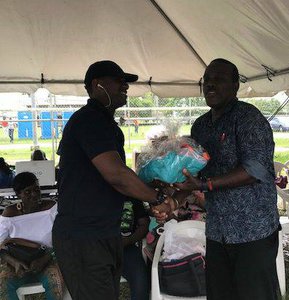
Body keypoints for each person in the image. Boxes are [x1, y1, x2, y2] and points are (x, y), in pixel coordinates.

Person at [155, 59, 280, 300]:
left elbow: (254, 170)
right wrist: (174, 201)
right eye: (206, 80)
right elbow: (195, 174)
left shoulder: (248, 119)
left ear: (235, 86)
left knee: (254, 294)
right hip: (217, 230)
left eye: (219, 79)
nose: (210, 85)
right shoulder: (201, 126)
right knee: (219, 293)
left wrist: (204, 185)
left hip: (252, 231)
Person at [52, 60, 176, 300]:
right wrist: (158, 198)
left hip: (104, 233)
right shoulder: (89, 120)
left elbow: (114, 176)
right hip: (84, 237)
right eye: (119, 81)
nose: (125, 87)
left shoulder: (104, 122)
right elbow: (116, 175)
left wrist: (149, 188)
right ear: (98, 85)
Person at [0, 172, 64, 300]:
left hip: (48, 258)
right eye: (27, 192)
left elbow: (64, 238)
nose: (34, 194)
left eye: (36, 189)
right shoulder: (10, 214)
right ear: (18, 194)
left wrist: (46, 258)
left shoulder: (51, 208)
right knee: (2, 285)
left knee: (54, 281)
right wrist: (14, 262)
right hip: (17, 263)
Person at [121, 198, 150, 300]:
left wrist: (128, 241)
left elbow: (144, 225)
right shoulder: (96, 195)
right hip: (97, 247)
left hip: (126, 248)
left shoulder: (132, 196)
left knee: (140, 282)